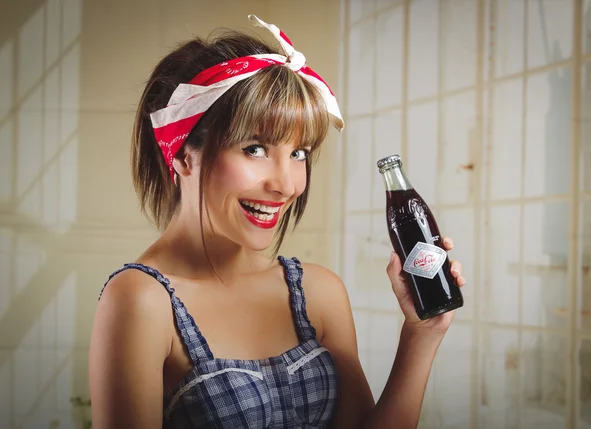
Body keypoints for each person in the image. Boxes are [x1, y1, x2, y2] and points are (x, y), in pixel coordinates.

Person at [88, 14, 467, 429]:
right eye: (254, 149)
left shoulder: (319, 291)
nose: (286, 184)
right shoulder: (140, 300)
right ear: (181, 154)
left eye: (299, 153)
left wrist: (421, 333)